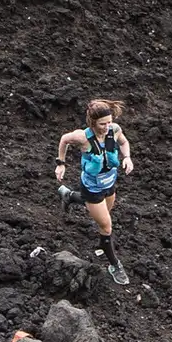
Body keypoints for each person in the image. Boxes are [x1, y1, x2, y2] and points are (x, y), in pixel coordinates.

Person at [55, 99, 135, 286]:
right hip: (92, 187)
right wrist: (61, 164)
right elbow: (64, 140)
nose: (107, 127)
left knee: (104, 214)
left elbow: (124, 142)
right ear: (92, 123)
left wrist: (127, 157)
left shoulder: (114, 130)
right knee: (106, 226)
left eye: (109, 122)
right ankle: (114, 265)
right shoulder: (82, 137)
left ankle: (68, 196)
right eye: (102, 124)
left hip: (109, 183)